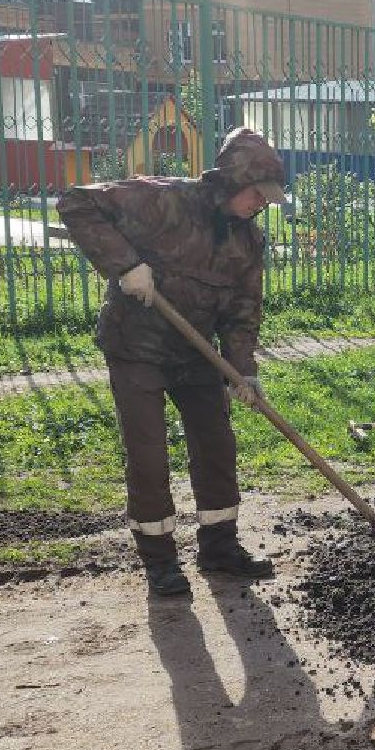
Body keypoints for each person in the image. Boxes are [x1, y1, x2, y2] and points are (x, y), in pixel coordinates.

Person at [58, 127, 286, 597]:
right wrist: (125, 265)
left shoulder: (248, 242)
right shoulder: (163, 201)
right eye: (255, 194)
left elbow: (244, 310)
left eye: (267, 198)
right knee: (148, 455)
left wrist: (243, 370)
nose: (260, 204)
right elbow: (77, 204)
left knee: (217, 446)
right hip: (137, 347)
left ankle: (219, 547)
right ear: (230, 180)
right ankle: (160, 561)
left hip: (194, 349)